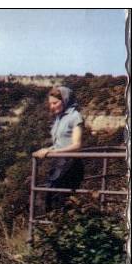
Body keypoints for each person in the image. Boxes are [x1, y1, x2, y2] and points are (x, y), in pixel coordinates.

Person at [32, 86, 85, 214]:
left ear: (65, 100)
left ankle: (62, 229)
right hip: (59, 163)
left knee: (60, 200)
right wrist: (47, 149)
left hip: (70, 164)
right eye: (50, 103)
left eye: (55, 103)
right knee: (50, 197)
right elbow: (59, 144)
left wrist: (51, 152)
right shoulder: (59, 118)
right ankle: (54, 230)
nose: (52, 106)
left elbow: (77, 145)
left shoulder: (75, 116)